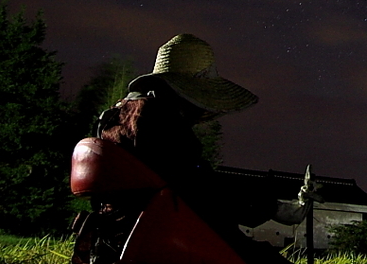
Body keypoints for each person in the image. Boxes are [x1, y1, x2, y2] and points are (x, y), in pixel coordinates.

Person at [83, 33, 310, 264]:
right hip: (163, 239)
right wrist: (274, 209)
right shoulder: (160, 121)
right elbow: (203, 189)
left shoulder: (114, 116)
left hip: (113, 239)